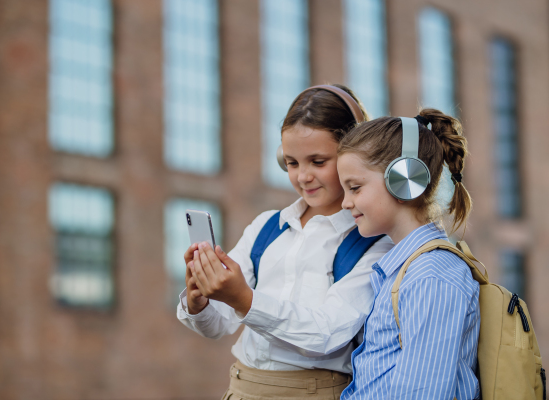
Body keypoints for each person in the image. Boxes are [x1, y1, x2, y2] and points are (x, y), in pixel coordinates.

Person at [177, 84, 394, 399]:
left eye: (317, 162)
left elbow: (325, 334)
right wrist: (200, 302)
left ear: (353, 156)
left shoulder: (373, 241)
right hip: (240, 388)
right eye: (292, 163)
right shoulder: (267, 226)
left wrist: (244, 300)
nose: (302, 176)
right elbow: (218, 326)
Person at [336, 110, 480, 399]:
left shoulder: (431, 276)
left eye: (354, 188)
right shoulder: (407, 269)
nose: (344, 202)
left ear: (404, 179)